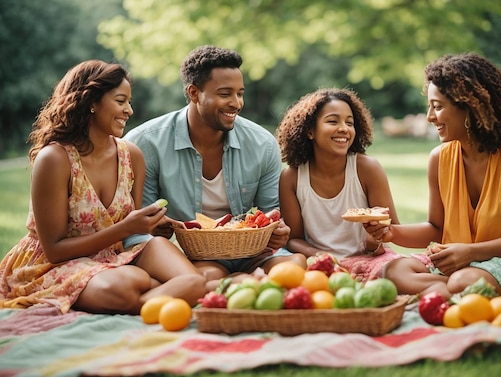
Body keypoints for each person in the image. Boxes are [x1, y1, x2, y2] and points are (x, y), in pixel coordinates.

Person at [0, 60, 208, 314]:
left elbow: (133, 232)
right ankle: (153, 296)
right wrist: (126, 228)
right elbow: (54, 250)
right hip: (53, 264)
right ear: (91, 103)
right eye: (121, 101)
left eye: (129, 102)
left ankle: (144, 299)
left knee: (195, 280)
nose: (129, 110)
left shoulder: (131, 155)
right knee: (126, 285)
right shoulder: (55, 159)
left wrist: (150, 225)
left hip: (115, 255)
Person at [372, 52, 501, 299]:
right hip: (469, 263)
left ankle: (450, 291)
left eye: (438, 107)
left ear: (470, 107)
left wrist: (471, 252)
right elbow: (436, 228)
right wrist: (391, 233)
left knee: (464, 280)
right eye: (429, 107)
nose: (430, 117)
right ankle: (450, 292)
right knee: (393, 270)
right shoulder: (439, 158)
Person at [124, 45, 306, 280]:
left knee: (295, 265)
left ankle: (243, 283)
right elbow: (139, 231)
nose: (236, 103)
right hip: (194, 256)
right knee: (209, 276)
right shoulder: (145, 143)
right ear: (193, 93)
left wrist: (276, 232)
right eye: (225, 94)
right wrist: (156, 227)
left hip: (253, 253)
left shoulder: (262, 144)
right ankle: (242, 284)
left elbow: (269, 214)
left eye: (240, 93)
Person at [275, 87, 403, 281]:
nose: (344, 128)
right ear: (310, 131)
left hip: (369, 260)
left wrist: (375, 240)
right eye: (333, 121)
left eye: (349, 123)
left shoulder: (367, 168)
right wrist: (321, 256)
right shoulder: (291, 178)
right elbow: (293, 240)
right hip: (319, 263)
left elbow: (393, 229)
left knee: (398, 274)